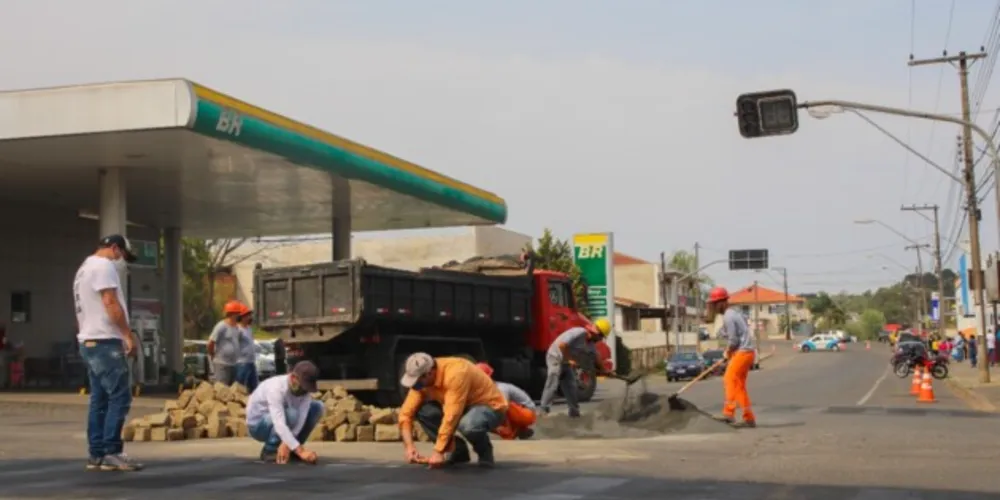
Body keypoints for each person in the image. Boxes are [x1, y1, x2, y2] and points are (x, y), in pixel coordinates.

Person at [74, 234, 144, 471]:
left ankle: (97, 454)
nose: (121, 261)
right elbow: (110, 302)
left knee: (100, 399)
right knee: (119, 396)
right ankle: (112, 450)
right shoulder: (104, 266)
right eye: (122, 255)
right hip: (105, 340)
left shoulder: (84, 268)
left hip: (89, 340)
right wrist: (127, 334)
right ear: (115, 248)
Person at [397, 353, 507, 468]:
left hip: (489, 407)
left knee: (469, 426)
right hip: (461, 406)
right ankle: (458, 451)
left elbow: (451, 415)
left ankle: (485, 453)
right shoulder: (421, 381)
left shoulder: (456, 373)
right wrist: (409, 447)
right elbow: (405, 414)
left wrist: (438, 451)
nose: (415, 386)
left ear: (429, 373)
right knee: (425, 412)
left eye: (417, 382)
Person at [245, 360, 324, 464]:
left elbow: (301, 420)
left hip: (282, 421)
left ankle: (291, 448)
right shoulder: (275, 388)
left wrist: (288, 444)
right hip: (258, 426)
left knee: (317, 407)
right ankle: (270, 450)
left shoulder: (305, 393)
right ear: (293, 378)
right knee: (292, 414)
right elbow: (279, 423)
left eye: (306, 389)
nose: (304, 392)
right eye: (302, 387)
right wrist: (301, 451)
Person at [538, 318, 611, 417]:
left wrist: (604, 370)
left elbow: (596, 357)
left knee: (571, 387)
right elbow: (562, 345)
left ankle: (574, 412)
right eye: (601, 337)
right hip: (555, 357)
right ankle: (543, 411)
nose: (600, 340)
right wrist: (569, 360)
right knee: (553, 382)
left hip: (566, 362)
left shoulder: (590, 344)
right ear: (597, 333)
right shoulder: (578, 332)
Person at [706, 286, 756, 428]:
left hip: (743, 352)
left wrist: (727, 351)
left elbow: (733, 341)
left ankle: (728, 413)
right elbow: (732, 335)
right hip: (747, 352)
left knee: (729, 379)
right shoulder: (734, 314)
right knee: (739, 386)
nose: (713, 307)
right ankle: (749, 418)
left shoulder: (729, 316)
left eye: (715, 304)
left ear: (721, 303)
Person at [475, 362, 537, 440]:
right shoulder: (488, 391)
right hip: (519, 412)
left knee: (500, 406)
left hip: (528, 413)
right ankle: (519, 430)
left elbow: (504, 407)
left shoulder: (500, 389)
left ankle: (510, 432)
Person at [208, 300, 246, 385]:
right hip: (222, 365)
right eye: (238, 313)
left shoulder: (236, 327)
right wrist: (212, 354)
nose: (240, 315)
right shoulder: (221, 326)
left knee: (233, 391)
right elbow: (210, 343)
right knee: (222, 390)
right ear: (232, 314)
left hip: (234, 364)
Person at [235, 305, 260, 391]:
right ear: (241, 317)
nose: (249, 317)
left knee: (254, 388)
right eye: (247, 315)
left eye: (249, 315)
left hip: (251, 362)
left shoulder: (249, 329)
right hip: (242, 363)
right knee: (240, 388)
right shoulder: (238, 329)